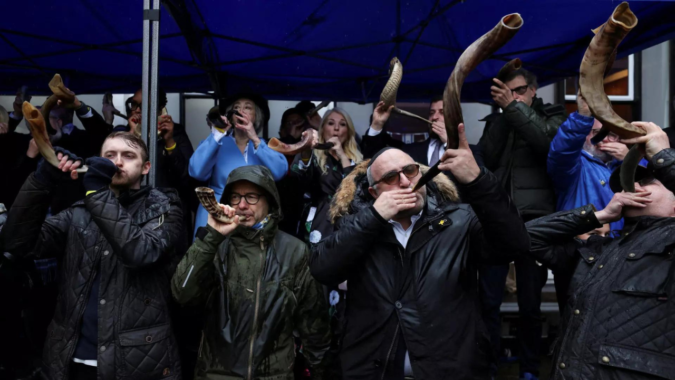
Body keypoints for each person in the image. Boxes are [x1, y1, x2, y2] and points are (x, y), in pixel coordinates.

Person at [310, 124, 530, 379]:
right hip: (374, 369)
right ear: (373, 192)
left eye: (411, 171)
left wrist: (478, 180)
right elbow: (322, 268)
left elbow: (515, 244)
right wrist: (374, 217)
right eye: (391, 177)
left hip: (450, 368)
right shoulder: (356, 225)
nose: (405, 182)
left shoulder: (458, 220)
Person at [0, 132, 185, 380]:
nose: (117, 162)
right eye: (109, 156)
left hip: (136, 362)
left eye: (128, 156)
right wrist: (43, 180)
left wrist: (97, 192)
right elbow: (16, 243)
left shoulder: (164, 207)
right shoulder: (79, 212)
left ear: (145, 167)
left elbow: (141, 253)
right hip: (71, 357)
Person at [525, 121, 675, 380]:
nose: (632, 188)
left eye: (648, 183)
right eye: (628, 185)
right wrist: (597, 215)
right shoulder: (600, 250)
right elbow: (525, 238)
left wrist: (663, 157)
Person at [171, 165, 331, 380]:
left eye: (251, 197)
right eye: (235, 197)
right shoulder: (215, 244)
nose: (242, 205)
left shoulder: (294, 250)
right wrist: (211, 238)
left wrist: (319, 371)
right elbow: (182, 293)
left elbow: (313, 322)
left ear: (270, 201)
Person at [477, 66, 566, 380]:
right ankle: (490, 366)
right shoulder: (499, 118)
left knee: (530, 303)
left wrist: (512, 108)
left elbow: (545, 141)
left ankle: (529, 368)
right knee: (488, 301)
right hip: (498, 220)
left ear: (532, 90)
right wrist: (504, 114)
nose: (512, 97)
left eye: (517, 91)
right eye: (507, 92)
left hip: (535, 220)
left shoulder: (554, 115)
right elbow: (486, 156)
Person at [189, 93, 288, 238]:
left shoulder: (263, 146)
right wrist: (217, 134)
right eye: (236, 108)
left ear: (256, 116)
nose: (240, 111)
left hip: (251, 215)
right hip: (217, 213)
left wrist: (254, 138)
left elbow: (280, 172)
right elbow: (195, 171)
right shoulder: (217, 142)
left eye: (247, 108)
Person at [547, 92, 631, 233]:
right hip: (582, 246)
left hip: (621, 245)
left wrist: (630, 161)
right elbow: (563, 149)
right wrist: (582, 116)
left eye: (611, 134)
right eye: (597, 133)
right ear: (584, 134)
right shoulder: (574, 165)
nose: (604, 139)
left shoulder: (624, 162)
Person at [291, 107, 363, 243]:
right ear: (322, 129)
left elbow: (356, 189)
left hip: (349, 221)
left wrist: (341, 154)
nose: (336, 128)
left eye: (342, 124)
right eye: (331, 123)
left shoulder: (357, 159)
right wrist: (305, 152)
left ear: (348, 132)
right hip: (318, 221)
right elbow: (298, 179)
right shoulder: (312, 154)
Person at [362, 94, 484, 168]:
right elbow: (372, 158)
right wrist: (377, 124)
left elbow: (476, 179)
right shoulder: (410, 149)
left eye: (442, 112)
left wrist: (450, 144)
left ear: (456, 118)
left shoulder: (473, 152)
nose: (434, 117)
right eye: (431, 113)